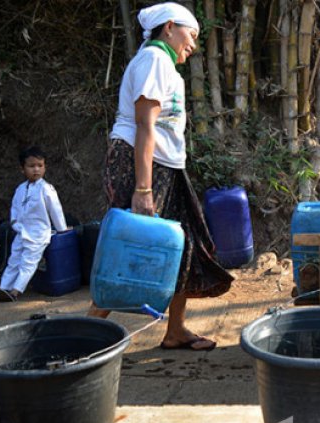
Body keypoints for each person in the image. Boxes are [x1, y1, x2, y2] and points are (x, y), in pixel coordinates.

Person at [88, 3, 233, 351]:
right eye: (192, 35)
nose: (194, 45)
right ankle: (86, 333)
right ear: (169, 27)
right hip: (145, 166)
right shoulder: (154, 60)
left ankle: (176, 329)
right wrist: (142, 188)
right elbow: (144, 125)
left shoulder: (163, 64)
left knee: (185, 245)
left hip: (167, 166)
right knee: (133, 244)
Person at [0, 146, 68, 302]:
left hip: (38, 234)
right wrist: (15, 224)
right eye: (31, 166)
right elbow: (15, 209)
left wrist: (62, 228)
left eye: (40, 166)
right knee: (14, 261)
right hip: (21, 232)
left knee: (28, 262)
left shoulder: (46, 189)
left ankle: (15, 291)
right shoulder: (20, 189)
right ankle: (3, 287)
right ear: (22, 169)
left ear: (45, 167)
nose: (36, 170)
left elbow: (55, 209)